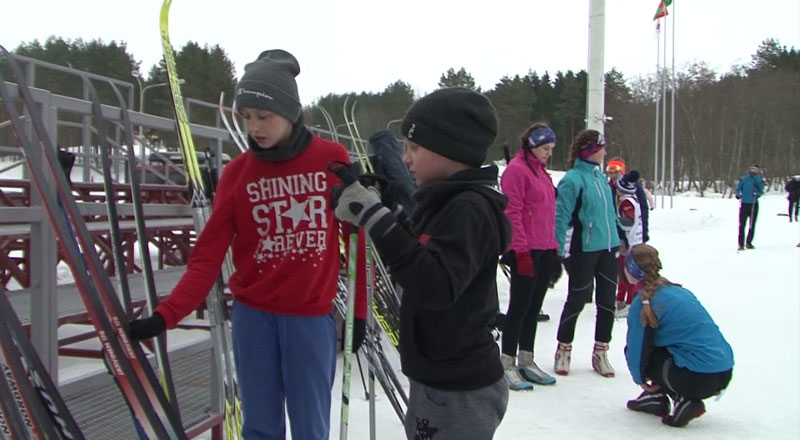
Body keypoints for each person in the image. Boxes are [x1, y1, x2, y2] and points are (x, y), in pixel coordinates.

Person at [127, 49, 366, 440]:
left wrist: (358, 315)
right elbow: (207, 257)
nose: (254, 127)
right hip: (253, 317)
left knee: (310, 426)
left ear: (290, 112)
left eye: (264, 116)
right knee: (259, 425)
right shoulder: (237, 174)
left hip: (309, 317)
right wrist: (167, 315)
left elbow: (355, 238)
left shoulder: (330, 159)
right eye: (246, 117)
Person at [332, 87, 510, 439]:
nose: (407, 159)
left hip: (458, 388)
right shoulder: (443, 203)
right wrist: (380, 212)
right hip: (439, 378)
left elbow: (436, 284)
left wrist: (378, 220)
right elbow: (411, 260)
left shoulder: (468, 209)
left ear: (451, 150)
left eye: (414, 148)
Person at [623, 244, 734, 427]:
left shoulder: (645, 303)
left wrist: (640, 379)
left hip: (696, 378)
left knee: (645, 349)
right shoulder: (679, 290)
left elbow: (636, 348)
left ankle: (675, 398)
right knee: (668, 345)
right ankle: (660, 398)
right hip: (724, 371)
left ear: (631, 270)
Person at [553, 129, 621, 378]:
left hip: (608, 246)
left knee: (606, 302)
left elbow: (609, 212)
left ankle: (601, 351)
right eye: (602, 147)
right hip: (584, 248)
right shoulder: (572, 179)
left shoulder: (600, 177)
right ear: (591, 150)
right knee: (577, 298)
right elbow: (561, 217)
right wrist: (558, 251)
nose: (605, 152)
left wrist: (619, 235)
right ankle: (564, 348)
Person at [498, 122, 560, 390]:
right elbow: (513, 213)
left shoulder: (542, 173)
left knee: (534, 308)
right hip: (525, 249)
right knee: (519, 307)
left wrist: (554, 248)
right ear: (533, 146)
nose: (548, 153)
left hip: (544, 247)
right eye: (545, 148)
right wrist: (520, 251)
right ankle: (507, 361)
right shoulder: (516, 171)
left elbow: (549, 213)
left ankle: (527, 358)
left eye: (551, 149)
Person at [614, 170, 645, 318]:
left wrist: (615, 222)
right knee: (622, 273)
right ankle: (620, 299)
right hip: (632, 241)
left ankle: (631, 302)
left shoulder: (626, 202)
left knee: (627, 274)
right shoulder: (632, 199)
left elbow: (629, 222)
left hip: (629, 243)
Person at [606, 157, 650, 241]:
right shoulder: (608, 187)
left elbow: (643, 208)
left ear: (622, 172)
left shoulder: (634, 187)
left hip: (631, 231)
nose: (613, 176)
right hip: (614, 231)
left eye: (616, 172)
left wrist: (644, 230)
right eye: (610, 173)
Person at [735, 164, 765, 250]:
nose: (753, 171)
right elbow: (738, 188)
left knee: (752, 224)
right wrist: (738, 194)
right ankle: (740, 244)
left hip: (753, 204)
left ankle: (749, 242)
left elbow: (761, 190)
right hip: (744, 203)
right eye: (752, 169)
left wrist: (758, 194)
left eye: (755, 169)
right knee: (742, 224)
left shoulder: (759, 180)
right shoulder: (744, 178)